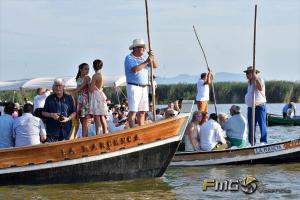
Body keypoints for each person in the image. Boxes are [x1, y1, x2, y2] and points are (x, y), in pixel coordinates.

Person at [124, 38, 157, 128]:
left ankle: (141, 129)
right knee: (133, 111)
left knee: (142, 111)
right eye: (142, 47)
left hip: (144, 87)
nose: (143, 49)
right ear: (135, 48)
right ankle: (133, 130)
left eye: (144, 47)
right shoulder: (129, 58)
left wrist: (152, 58)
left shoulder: (143, 58)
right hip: (134, 86)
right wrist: (147, 61)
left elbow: (155, 66)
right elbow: (135, 69)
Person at [244, 66, 267, 145]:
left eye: (248, 73)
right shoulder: (249, 82)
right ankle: (252, 143)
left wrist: (255, 78)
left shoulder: (259, 79)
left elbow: (260, 88)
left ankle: (263, 141)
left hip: (259, 106)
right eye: (246, 73)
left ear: (253, 73)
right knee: (251, 126)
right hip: (251, 107)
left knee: (262, 124)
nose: (246, 75)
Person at [89, 59, 109, 134]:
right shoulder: (102, 76)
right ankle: (105, 133)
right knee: (102, 116)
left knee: (97, 117)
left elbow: (91, 89)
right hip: (101, 95)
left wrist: (88, 83)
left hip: (96, 96)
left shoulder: (95, 76)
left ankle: (98, 135)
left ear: (93, 66)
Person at [75, 63, 91, 137]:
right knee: (81, 121)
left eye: (88, 69)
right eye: (85, 69)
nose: (87, 70)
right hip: (79, 100)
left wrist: (73, 91)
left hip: (85, 101)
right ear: (81, 69)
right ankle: (84, 138)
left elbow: (80, 88)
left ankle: (85, 139)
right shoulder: (78, 78)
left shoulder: (87, 78)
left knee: (84, 121)